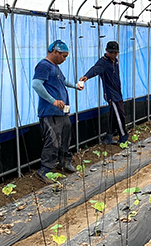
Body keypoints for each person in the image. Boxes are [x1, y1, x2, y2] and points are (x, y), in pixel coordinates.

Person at [32, 40, 84, 183]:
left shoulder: (55, 66)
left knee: (66, 137)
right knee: (53, 141)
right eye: (64, 56)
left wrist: (75, 86)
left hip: (62, 112)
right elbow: (36, 84)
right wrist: (53, 101)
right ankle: (45, 171)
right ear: (55, 52)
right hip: (50, 112)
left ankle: (64, 162)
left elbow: (63, 81)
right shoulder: (43, 65)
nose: (64, 59)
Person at [79, 41, 127, 145]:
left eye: (116, 52)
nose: (114, 55)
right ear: (106, 51)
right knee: (120, 115)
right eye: (112, 52)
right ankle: (123, 137)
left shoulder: (115, 61)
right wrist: (86, 76)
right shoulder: (103, 62)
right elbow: (94, 70)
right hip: (111, 94)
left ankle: (108, 138)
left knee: (114, 115)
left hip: (118, 92)